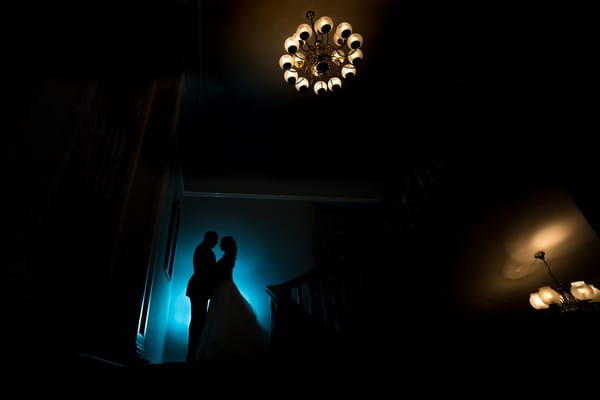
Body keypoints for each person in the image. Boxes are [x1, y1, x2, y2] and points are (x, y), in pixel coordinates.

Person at [195, 236, 270, 363]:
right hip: (224, 287)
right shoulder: (228, 258)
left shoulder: (227, 259)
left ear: (227, 245)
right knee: (224, 316)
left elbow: (220, 273)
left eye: (222, 243)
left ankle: (225, 351)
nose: (219, 246)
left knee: (225, 316)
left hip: (224, 287)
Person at [186, 230, 219, 362]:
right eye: (215, 240)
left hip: (198, 288)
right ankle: (194, 351)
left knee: (198, 318)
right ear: (209, 239)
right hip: (199, 288)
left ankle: (194, 350)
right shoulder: (205, 251)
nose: (216, 243)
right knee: (198, 318)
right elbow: (207, 271)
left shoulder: (202, 249)